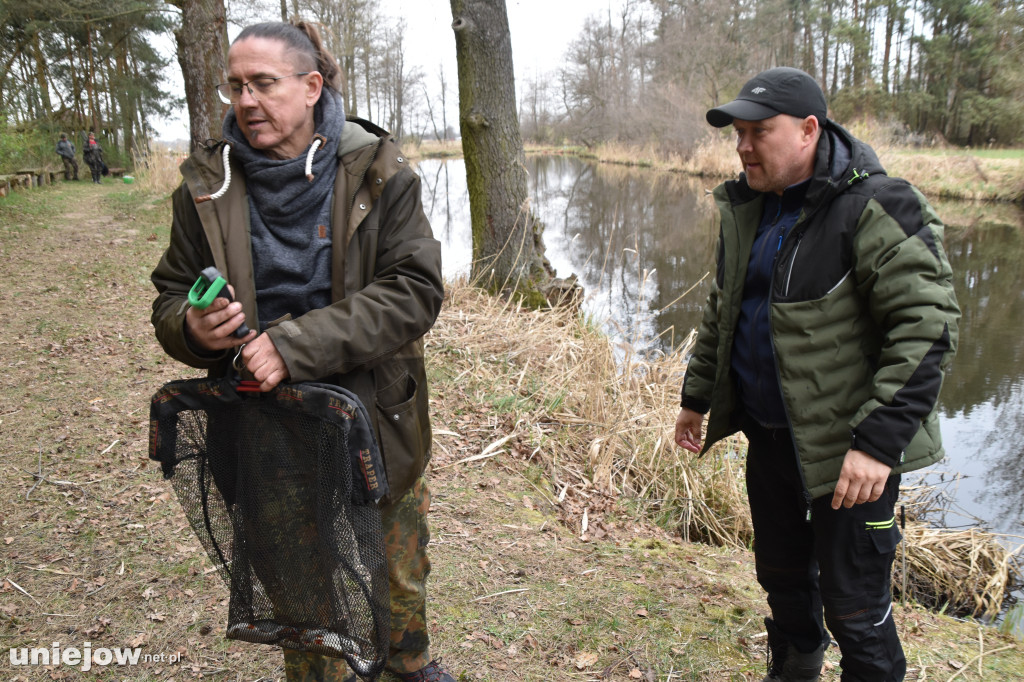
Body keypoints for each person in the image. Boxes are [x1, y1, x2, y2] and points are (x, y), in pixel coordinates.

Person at [150, 20, 455, 682]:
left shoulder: (379, 170)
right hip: (264, 425)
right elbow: (171, 295)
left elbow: (415, 293)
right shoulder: (205, 184)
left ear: (311, 86)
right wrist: (191, 329)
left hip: (375, 417)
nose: (247, 101)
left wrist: (291, 345)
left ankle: (407, 666)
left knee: (396, 568)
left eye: (264, 83)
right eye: (236, 86)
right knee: (299, 588)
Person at [674, 67, 959, 682]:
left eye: (759, 132)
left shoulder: (879, 205)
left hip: (850, 460)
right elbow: (725, 311)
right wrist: (697, 396)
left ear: (808, 129)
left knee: (856, 608)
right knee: (780, 578)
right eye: (738, 134)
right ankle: (795, 668)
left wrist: (877, 445)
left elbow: (928, 328)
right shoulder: (749, 209)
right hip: (770, 440)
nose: (743, 146)